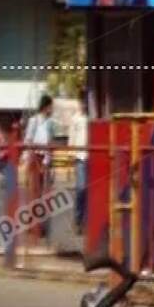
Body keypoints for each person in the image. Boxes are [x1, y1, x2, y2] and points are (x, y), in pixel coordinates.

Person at [24, 94, 56, 242]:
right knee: (34, 192)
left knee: (42, 193)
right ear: (46, 106)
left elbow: (50, 142)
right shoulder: (34, 121)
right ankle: (32, 224)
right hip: (34, 156)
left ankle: (38, 225)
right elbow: (28, 140)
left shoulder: (50, 123)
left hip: (44, 157)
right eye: (50, 106)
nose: (52, 109)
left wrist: (47, 161)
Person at [68, 91, 88, 235]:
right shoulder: (76, 119)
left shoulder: (90, 118)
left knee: (90, 190)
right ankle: (78, 220)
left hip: (91, 157)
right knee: (81, 189)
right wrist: (71, 154)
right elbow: (72, 137)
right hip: (80, 157)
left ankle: (86, 222)